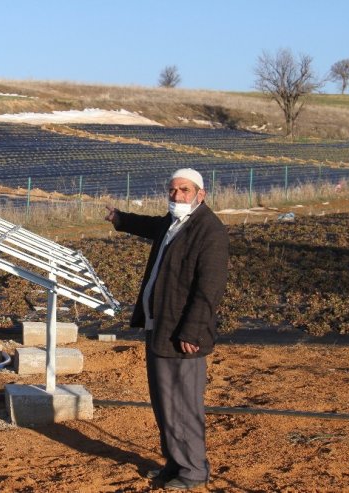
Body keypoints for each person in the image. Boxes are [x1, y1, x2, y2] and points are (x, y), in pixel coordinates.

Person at [104, 168, 229, 491]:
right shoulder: (173, 223)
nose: (176, 196)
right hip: (159, 327)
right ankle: (175, 463)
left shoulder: (209, 231)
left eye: (183, 191)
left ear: (200, 194)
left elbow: (209, 288)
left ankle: (193, 472)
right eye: (172, 190)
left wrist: (192, 332)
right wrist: (120, 218)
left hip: (183, 335)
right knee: (165, 404)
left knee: (184, 405)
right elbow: (149, 225)